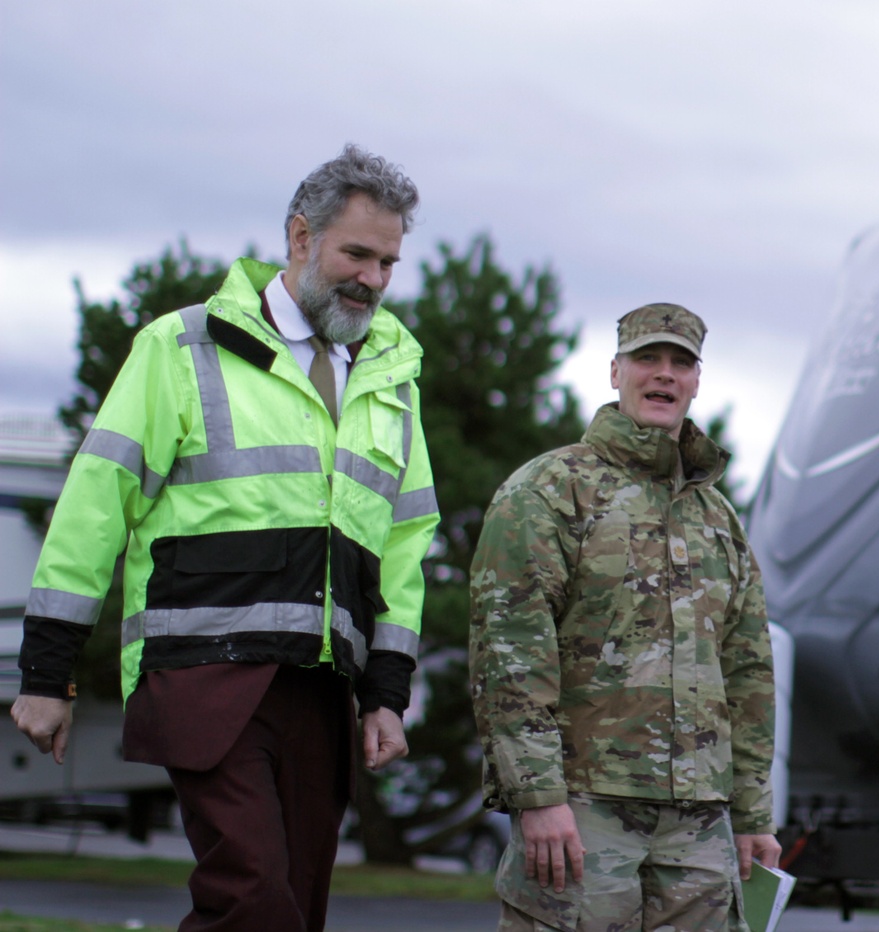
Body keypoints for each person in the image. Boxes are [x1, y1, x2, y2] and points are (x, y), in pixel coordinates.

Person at [11, 144, 439, 932]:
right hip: (202, 671)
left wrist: (386, 692)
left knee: (295, 909)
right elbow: (94, 504)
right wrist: (47, 671)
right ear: (300, 237)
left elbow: (405, 548)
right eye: (357, 253)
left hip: (321, 689)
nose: (373, 280)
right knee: (252, 900)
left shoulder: (392, 383)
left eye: (387, 262)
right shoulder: (179, 347)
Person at [469, 303, 780, 931]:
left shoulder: (717, 517)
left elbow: (747, 674)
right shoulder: (551, 490)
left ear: (696, 380)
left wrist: (751, 815)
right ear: (615, 371)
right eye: (647, 359)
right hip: (583, 811)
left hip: (700, 826)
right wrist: (537, 797)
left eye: (680, 363)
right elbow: (509, 652)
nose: (664, 375)